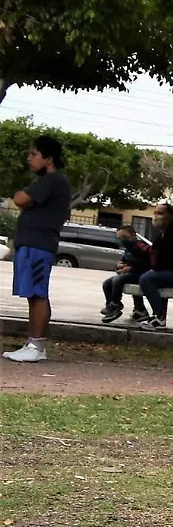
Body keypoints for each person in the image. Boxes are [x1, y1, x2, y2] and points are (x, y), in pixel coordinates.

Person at [5, 135, 73, 363]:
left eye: (34, 154)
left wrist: (21, 197)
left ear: (49, 158)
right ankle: (34, 343)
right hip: (32, 244)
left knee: (37, 294)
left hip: (38, 245)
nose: (29, 159)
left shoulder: (52, 180)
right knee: (33, 295)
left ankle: (37, 345)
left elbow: (21, 199)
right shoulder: (50, 182)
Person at [136, 203, 173, 330]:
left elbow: (169, 259)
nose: (156, 217)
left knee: (146, 279)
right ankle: (144, 311)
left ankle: (159, 317)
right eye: (155, 213)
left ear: (170, 217)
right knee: (140, 276)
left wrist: (154, 269)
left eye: (160, 213)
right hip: (166, 273)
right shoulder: (159, 236)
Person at [100, 226, 154, 325]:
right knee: (106, 283)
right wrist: (119, 266)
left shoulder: (141, 247)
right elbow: (124, 260)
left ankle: (116, 304)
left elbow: (146, 264)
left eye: (124, 237)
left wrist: (130, 268)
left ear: (133, 235)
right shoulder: (128, 248)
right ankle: (111, 306)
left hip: (142, 275)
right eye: (119, 238)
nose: (122, 240)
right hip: (132, 274)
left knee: (118, 280)